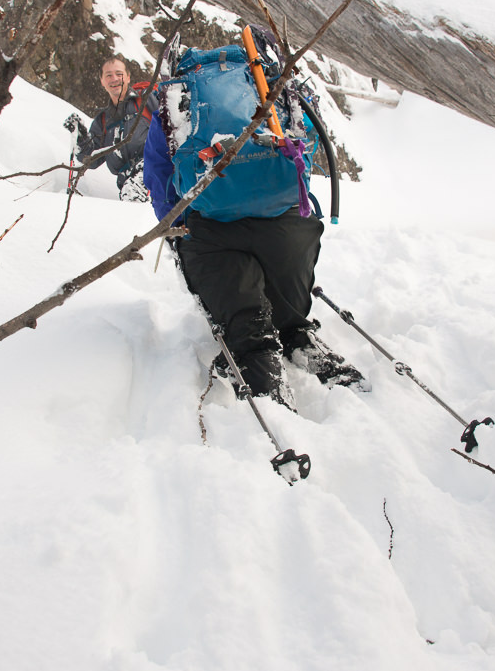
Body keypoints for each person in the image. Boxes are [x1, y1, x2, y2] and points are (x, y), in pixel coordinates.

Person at [142, 37, 367, 407]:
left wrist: (183, 232)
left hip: (213, 230)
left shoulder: (178, 102)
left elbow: (159, 177)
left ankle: (258, 362)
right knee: (288, 306)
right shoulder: (270, 85)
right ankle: (296, 334)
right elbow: (306, 146)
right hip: (289, 226)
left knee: (243, 317)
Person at [68, 55, 153, 199]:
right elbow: (91, 160)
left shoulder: (146, 99)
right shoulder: (102, 121)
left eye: (119, 74)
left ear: (128, 77)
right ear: (102, 81)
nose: (114, 79)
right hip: (126, 184)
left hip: (153, 174)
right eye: (108, 75)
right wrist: (81, 137)